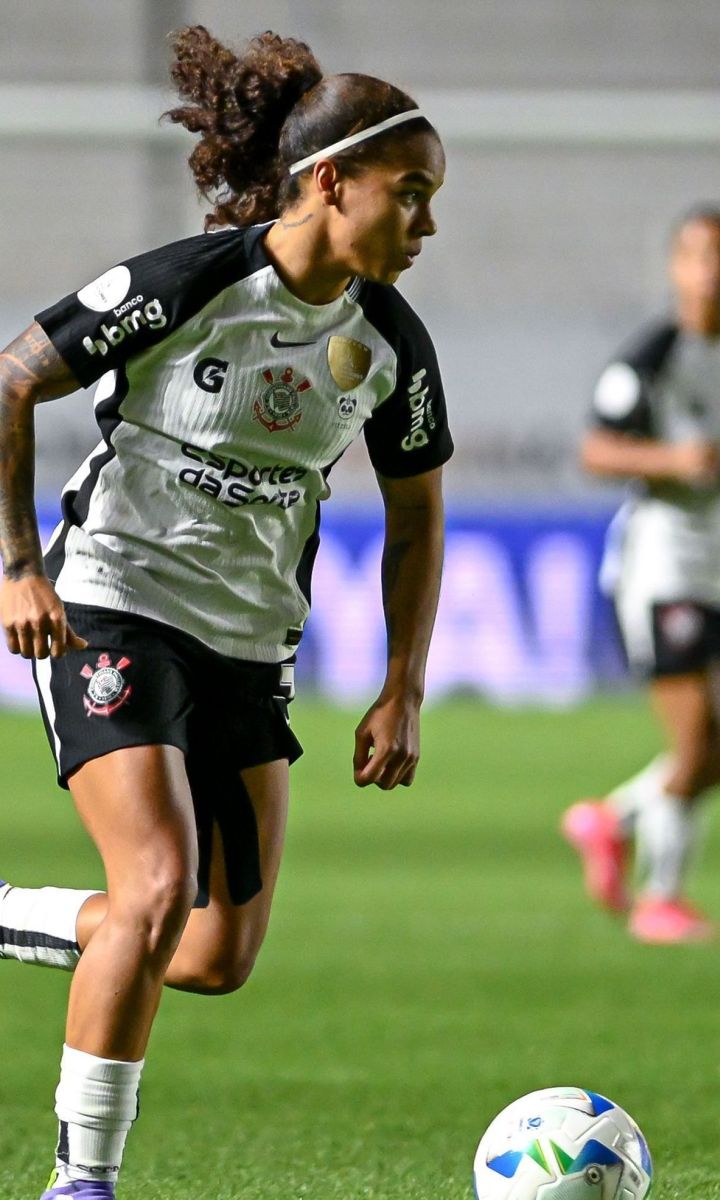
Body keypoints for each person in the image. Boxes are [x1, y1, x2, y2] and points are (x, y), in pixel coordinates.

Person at [0, 26, 451, 1198]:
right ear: (329, 182)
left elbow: (415, 522)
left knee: (209, 953)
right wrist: (16, 567)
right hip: (113, 607)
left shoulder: (391, 344)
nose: (428, 225)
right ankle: (79, 1183)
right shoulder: (193, 284)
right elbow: (10, 381)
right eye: (411, 196)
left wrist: (404, 683)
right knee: (153, 893)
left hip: (250, 649)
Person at [561, 207, 720, 944]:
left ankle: (612, 818)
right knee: (701, 737)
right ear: (675, 267)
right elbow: (596, 451)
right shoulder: (650, 357)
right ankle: (661, 897)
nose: (713, 270)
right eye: (698, 256)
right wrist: (670, 461)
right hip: (664, 563)